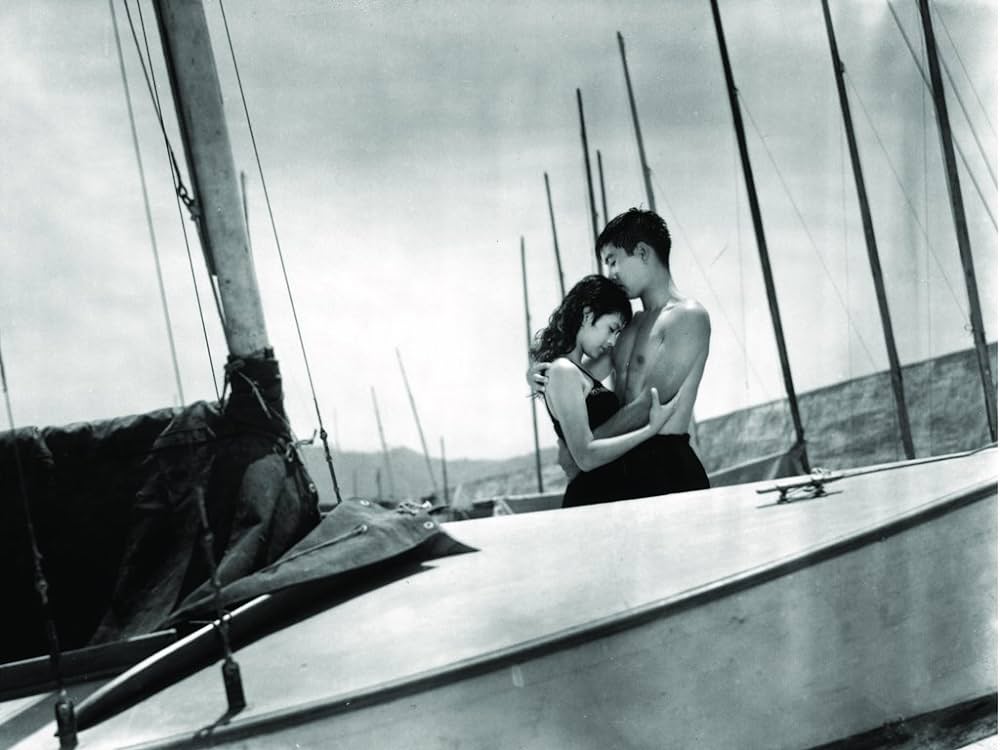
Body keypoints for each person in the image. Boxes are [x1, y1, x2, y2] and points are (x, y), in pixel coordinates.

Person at [531, 208, 711, 499]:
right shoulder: (628, 327)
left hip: (666, 464)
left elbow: (648, 404)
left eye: (613, 261)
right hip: (620, 463)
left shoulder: (688, 316)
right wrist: (542, 375)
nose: (611, 274)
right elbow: (579, 379)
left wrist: (584, 451)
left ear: (642, 252)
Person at [529, 274, 676, 507]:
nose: (612, 340)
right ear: (587, 316)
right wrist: (650, 430)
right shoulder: (562, 371)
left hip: (607, 496)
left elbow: (627, 343)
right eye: (611, 329)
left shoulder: (579, 371)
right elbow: (585, 457)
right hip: (594, 499)